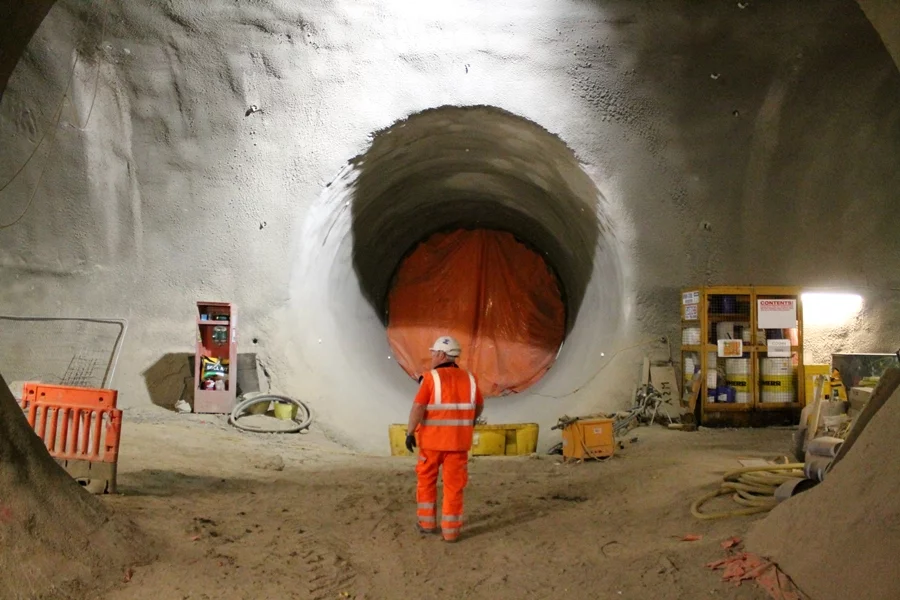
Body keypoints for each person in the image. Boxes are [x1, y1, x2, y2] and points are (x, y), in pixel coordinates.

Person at [405, 335, 484, 543]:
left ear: (441, 354)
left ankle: (427, 524)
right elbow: (479, 406)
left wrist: (410, 432)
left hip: (432, 443)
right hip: (458, 444)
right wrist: (469, 422)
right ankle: (451, 532)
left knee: (426, 481)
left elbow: (418, 406)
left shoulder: (430, 378)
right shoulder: (470, 378)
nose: (431, 356)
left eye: (433, 353)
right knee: (454, 486)